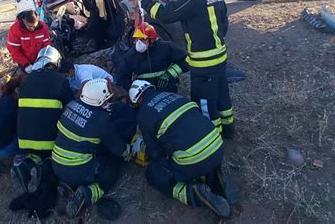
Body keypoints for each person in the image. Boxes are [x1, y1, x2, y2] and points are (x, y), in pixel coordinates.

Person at [136, 0, 234, 138]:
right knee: (222, 95)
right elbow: (224, 24)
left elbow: (167, 14)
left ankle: (212, 136)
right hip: (220, 56)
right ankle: (229, 129)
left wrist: (144, 1)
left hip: (204, 64)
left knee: (205, 102)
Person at [129, 80, 239, 218]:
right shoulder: (174, 96)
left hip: (193, 161)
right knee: (198, 154)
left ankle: (195, 193)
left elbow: (156, 154)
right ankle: (217, 173)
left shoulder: (143, 114)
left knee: (154, 173)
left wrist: (144, 150)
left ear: (137, 101)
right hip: (216, 145)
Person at [52, 78, 135, 217]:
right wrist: (129, 151)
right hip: (78, 171)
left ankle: (67, 184)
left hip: (57, 164)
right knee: (113, 167)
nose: (109, 102)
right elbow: (118, 149)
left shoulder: (71, 104)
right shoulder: (101, 120)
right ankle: (88, 193)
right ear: (99, 101)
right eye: (107, 99)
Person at [13, 46, 74, 194]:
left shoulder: (25, 81)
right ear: (56, 63)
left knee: (37, 152)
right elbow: (71, 108)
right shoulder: (60, 80)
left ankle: (28, 163)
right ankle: (44, 168)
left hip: (24, 141)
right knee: (55, 158)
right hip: (50, 143)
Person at [116, 22, 188, 93]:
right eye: (137, 39)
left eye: (143, 39)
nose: (139, 43)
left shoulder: (166, 47)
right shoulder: (130, 55)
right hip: (145, 93)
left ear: (152, 40)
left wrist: (169, 74)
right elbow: (122, 77)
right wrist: (136, 91)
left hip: (168, 89)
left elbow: (186, 60)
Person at [7, 10, 51, 75]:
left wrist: (43, 59)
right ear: (24, 21)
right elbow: (14, 50)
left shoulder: (43, 27)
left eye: (34, 26)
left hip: (39, 59)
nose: (32, 28)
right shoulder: (15, 29)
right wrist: (26, 64)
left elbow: (46, 45)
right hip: (24, 61)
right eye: (30, 26)